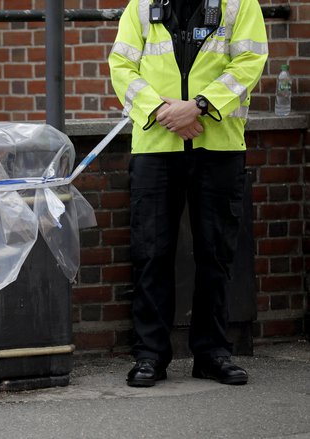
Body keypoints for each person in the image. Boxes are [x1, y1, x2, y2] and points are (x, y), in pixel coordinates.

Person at [108, 0, 268, 387]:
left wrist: (199, 106)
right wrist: (163, 111)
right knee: (151, 253)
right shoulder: (142, 5)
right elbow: (121, 66)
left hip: (219, 145)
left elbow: (249, 61)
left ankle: (213, 352)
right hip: (157, 145)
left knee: (216, 254)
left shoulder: (239, 3)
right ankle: (150, 356)